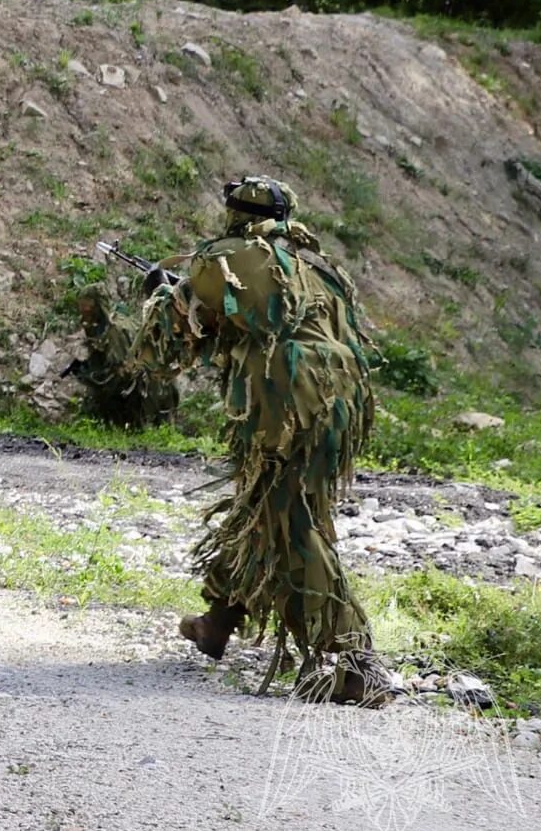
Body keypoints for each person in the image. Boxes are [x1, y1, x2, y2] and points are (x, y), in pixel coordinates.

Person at [88, 175, 388, 704]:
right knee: (264, 507)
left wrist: (161, 294)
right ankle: (218, 622)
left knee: (292, 523)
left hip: (285, 404)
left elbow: (163, 352)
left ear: (233, 213)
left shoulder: (223, 258)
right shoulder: (317, 264)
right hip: (341, 406)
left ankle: (351, 661)